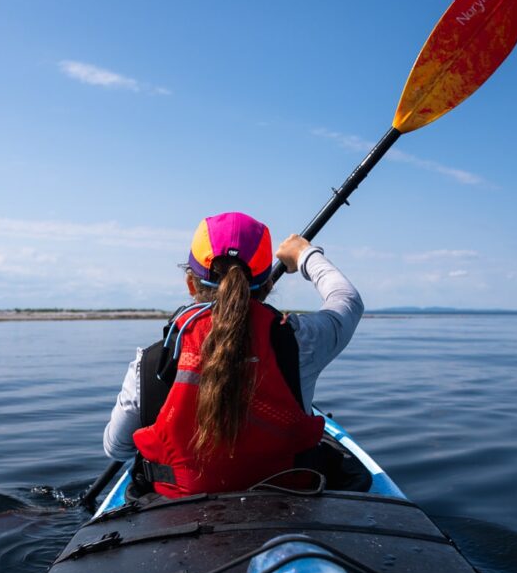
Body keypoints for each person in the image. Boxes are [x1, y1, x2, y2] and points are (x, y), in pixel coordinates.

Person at [103, 211, 364, 497]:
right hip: (285, 500)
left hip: (176, 511)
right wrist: (305, 254)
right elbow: (347, 300)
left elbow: (117, 448)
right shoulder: (301, 341)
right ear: (268, 286)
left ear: (191, 284)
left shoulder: (151, 362)